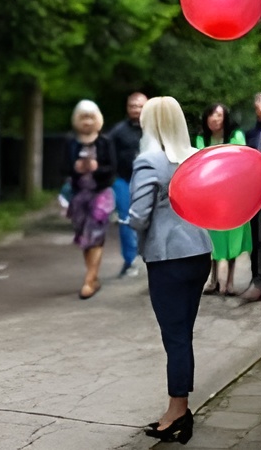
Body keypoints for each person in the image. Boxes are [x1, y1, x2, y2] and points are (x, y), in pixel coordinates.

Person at [127, 96, 213, 446]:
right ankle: (180, 406)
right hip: (198, 251)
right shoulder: (194, 156)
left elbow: (139, 215)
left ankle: (178, 410)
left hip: (167, 257)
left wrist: (130, 226)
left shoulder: (149, 160)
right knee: (183, 333)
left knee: (175, 337)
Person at [195, 102, 252, 296]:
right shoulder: (202, 138)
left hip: (233, 195)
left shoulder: (236, 136)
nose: (214, 119)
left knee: (232, 237)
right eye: (211, 115)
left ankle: (229, 281)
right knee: (212, 238)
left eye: (218, 115)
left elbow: (240, 161)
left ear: (225, 117)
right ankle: (213, 280)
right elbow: (202, 162)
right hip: (211, 196)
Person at [64, 100, 117, 299]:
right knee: (85, 238)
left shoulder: (105, 141)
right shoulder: (71, 142)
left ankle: (89, 280)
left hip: (100, 194)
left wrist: (97, 168)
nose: (87, 121)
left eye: (91, 117)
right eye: (83, 117)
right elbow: (62, 168)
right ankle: (93, 277)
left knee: (96, 234)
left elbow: (112, 169)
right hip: (79, 196)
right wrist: (76, 168)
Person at [106, 92, 147, 278]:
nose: (136, 109)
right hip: (124, 180)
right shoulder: (118, 131)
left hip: (148, 181)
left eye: (140, 105)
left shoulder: (154, 128)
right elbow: (107, 154)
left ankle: (149, 255)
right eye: (133, 106)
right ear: (127, 108)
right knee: (125, 220)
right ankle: (130, 260)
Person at [241, 92, 261, 301]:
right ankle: (257, 280)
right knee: (257, 238)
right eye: (258, 103)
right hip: (255, 193)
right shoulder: (249, 135)